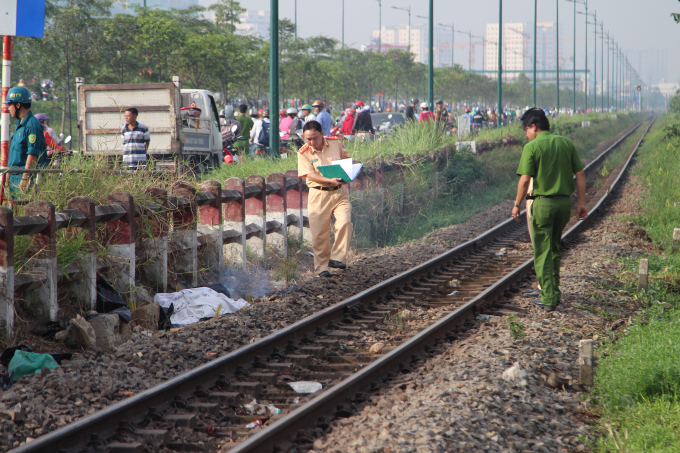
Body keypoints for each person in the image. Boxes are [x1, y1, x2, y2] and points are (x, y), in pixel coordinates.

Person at [512, 108, 587, 311]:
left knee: (542, 252)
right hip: (564, 205)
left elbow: (525, 179)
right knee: (553, 248)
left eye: (526, 129)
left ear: (534, 127)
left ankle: (548, 297)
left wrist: (517, 204)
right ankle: (553, 291)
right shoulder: (565, 143)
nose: (526, 134)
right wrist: (581, 203)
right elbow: (580, 174)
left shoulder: (532, 146)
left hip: (543, 204)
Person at [297, 120, 353, 277]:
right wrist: (330, 179)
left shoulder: (335, 143)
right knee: (320, 233)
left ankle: (337, 258)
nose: (312, 142)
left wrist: (351, 169)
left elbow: (347, 159)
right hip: (318, 194)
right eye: (308, 139)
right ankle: (322, 267)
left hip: (339, 192)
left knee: (345, 221)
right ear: (304, 137)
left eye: (315, 138)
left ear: (322, 134)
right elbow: (310, 175)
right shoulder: (303, 153)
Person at [4, 87, 47, 194]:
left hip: (25, 178)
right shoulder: (20, 125)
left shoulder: (32, 126)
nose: (8, 108)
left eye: (10, 104)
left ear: (18, 105)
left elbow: (32, 154)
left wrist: (25, 179)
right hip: (15, 177)